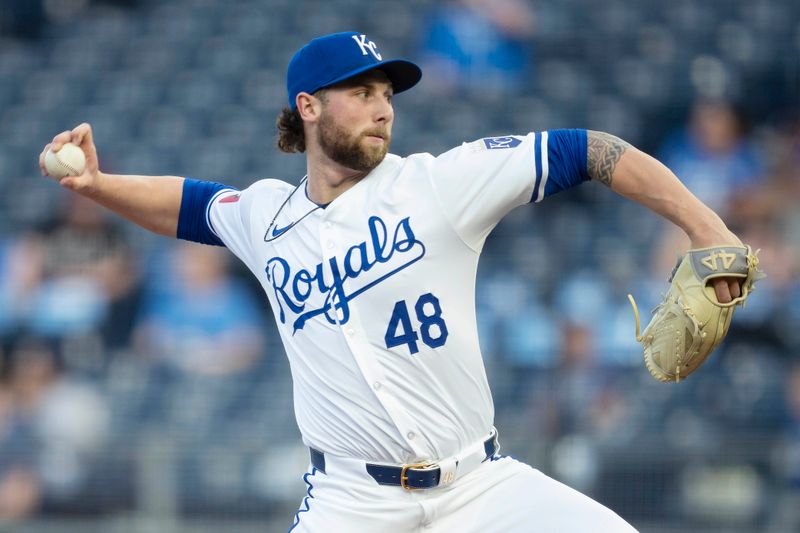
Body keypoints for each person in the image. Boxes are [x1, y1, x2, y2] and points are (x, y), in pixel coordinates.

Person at [39, 31, 746, 532]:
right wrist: (99, 186)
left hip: (480, 486)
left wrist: (703, 225)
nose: (383, 106)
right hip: (352, 502)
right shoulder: (266, 217)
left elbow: (588, 150)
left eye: (387, 92)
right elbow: (190, 204)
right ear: (308, 106)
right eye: (362, 91)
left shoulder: (439, 184)